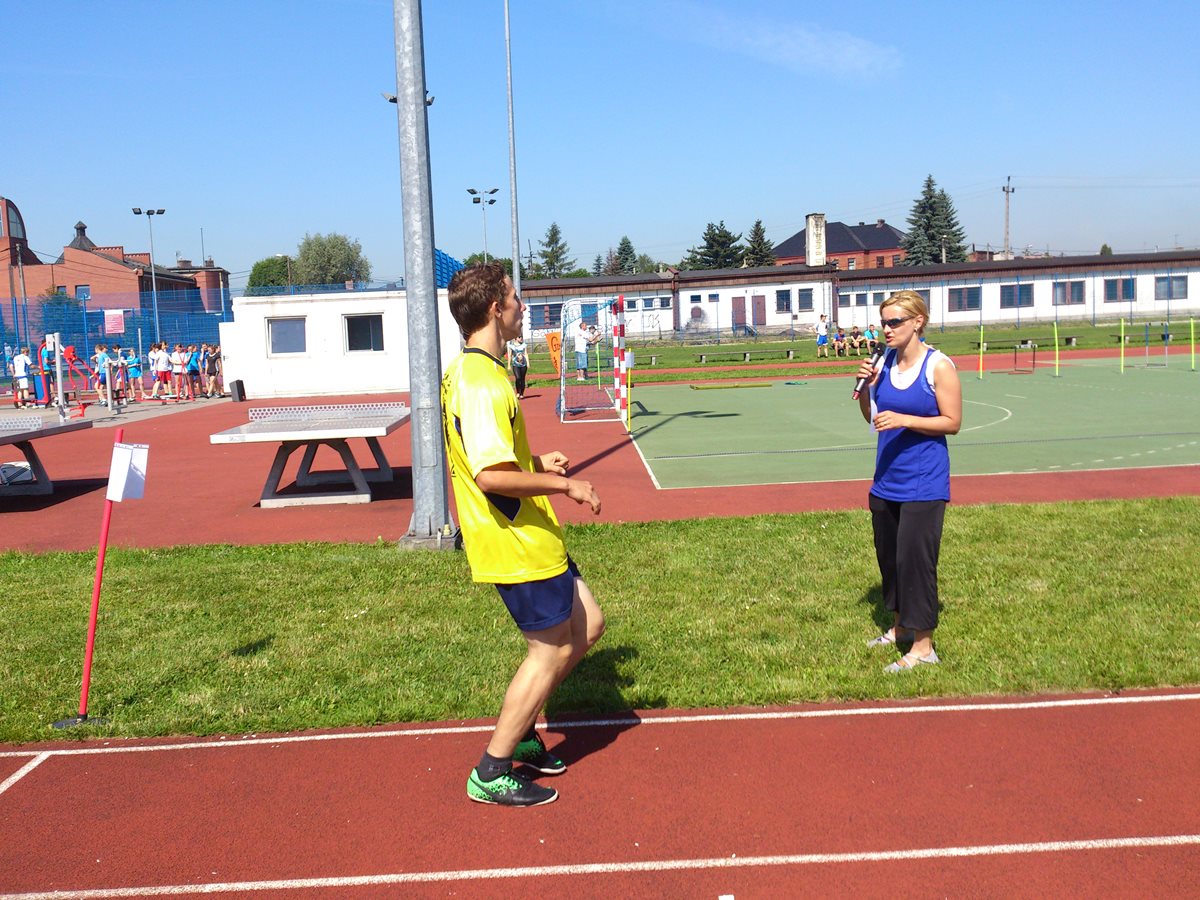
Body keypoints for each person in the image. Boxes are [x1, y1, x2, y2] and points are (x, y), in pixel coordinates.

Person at [441, 262, 604, 807]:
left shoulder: (473, 370)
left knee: (588, 624)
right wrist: (566, 485)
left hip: (530, 534)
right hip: (513, 540)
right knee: (550, 650)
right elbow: (489, 476)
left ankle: (526, 731)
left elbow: (484, 457)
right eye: (515, 298)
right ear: (495, 308)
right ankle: (492, 769)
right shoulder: (482, 382)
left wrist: (534, 463)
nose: (522, 307)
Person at [854, 290, 962, 672]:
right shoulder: (883, 363)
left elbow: (953, 422)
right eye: (883, 322)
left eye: (895, 322)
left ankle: (923, 647)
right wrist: (865, 389)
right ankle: (900, 627)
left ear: (918, 322)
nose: (886, 329)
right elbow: (872, 418)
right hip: (886, 479)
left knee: (917, 562)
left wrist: (905, 420)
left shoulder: (939, 366)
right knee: (892, 560)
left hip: (923, 481)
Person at [507, 334, 529, 399]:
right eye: (519, 337)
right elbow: (510, 355)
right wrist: (508, 365)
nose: (521, 338)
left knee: (522, 379)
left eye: (521, 337)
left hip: (523, 365)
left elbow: (526, 354)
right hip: (515, 364)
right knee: (518, 378)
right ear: (515, 338)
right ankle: (518, 392)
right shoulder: (511, 346)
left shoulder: (524, 345)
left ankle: (521, 393)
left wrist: (528, 363)